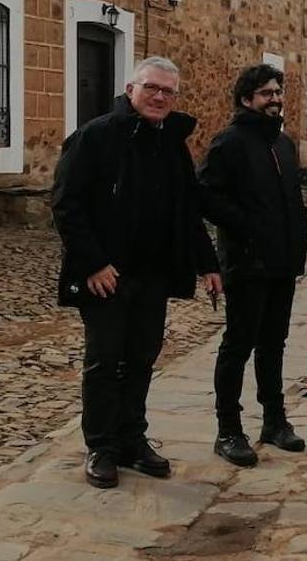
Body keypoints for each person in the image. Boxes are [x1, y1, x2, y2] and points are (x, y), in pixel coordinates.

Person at [51, 57, 222, 489]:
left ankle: (132, 439)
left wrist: (208, 264)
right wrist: (92, 263)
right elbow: (67, 205)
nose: (160, 97)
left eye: (168, 91)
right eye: (152, 88)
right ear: (132, 90)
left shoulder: (173, 145)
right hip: (105, 275)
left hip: (154, 274)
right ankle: (101, 447)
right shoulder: (95, 137)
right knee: (104, 362)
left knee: (142, 359)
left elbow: (187, 211)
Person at [198, 64, 307, 467]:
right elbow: (207, 195)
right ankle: (228, 429)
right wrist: (248, 226)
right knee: (238, 345)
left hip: (282, 262)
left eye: (277, 92)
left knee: (273, 343)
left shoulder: (284, 144)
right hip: (246, 263)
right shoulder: (228, 142)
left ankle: (275, 421)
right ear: (247, 99)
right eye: (266, 93)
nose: (275, 99)